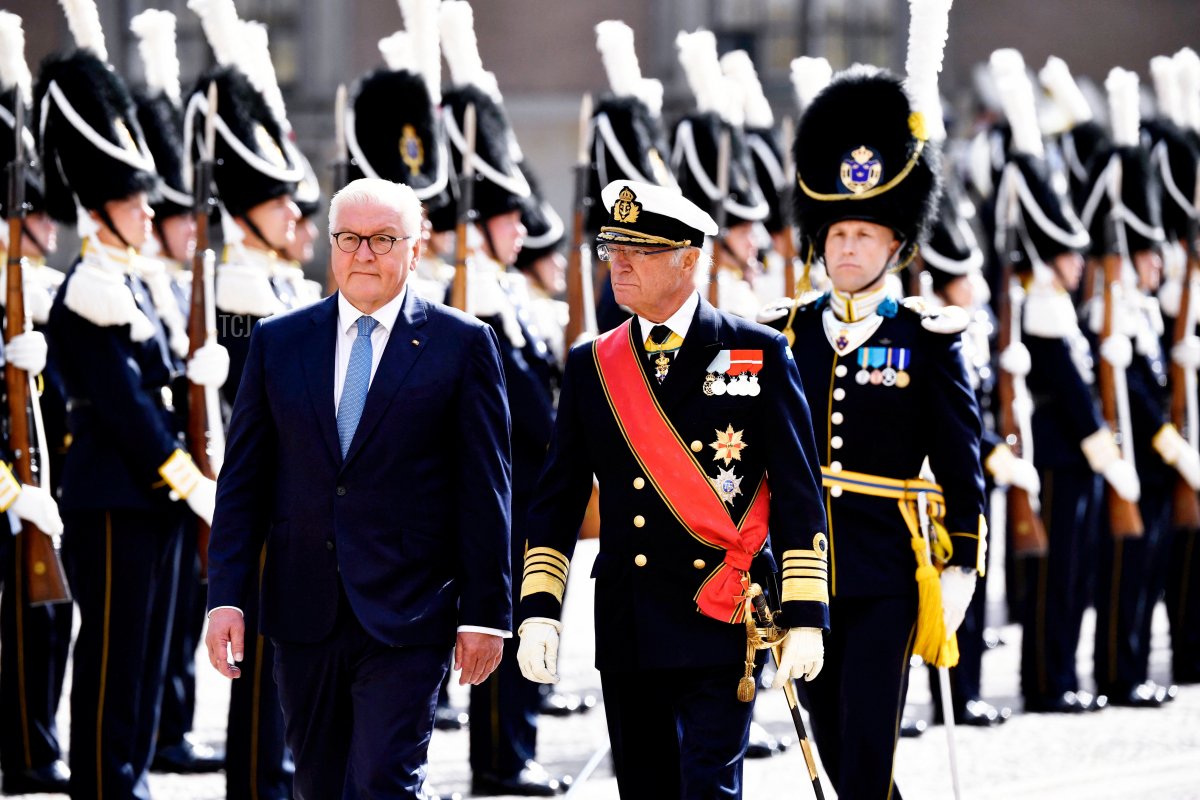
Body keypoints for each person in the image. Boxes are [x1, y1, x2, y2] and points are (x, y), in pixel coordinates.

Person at [518, 179, 829, 799]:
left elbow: (798, 489)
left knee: (708, 789)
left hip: (720, 611)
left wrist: (804, 615)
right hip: (630, 619)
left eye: (640, 249)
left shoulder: (758, 352)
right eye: (613, 247)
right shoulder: (593, 364)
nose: (619, 263)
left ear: (689, 259)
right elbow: (557, 497)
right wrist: (538, 611)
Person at [204, 177, 512, 799]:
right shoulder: (277, 341)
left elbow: (485, 492)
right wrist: (226, 598)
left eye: (381, 239)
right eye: (349, 238)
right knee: (316, 784)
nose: (363, 253)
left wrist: (486, 614)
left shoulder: (462, 345)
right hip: (303, 609)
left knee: (382, 782)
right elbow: (242, 486)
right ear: (331, 246)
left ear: (416, 248)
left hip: (410, 610)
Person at [763, 49, 987, 797]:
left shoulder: (928, 338)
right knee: (831, 747)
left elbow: (961, 460)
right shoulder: (784, 333)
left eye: (864, 234)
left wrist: (963, 565)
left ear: (897, 244)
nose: (847, 246)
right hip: (802, 571)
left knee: (866, 751)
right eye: (836, 233)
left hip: (889, 569)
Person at [37, 3, 219, 796]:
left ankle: (131, 773)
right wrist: (187, 476)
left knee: (147, 650)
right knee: (115, 649)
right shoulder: (92, 287)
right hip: (116, 495)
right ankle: (106, 782)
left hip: (154, 499)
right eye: (136, 200)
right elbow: (123, 405)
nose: (151, 212)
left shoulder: (134, 286)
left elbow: (161, 392)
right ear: (101, 204)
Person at [438, 4, 564, 792]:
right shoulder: (472, 295)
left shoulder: (505, 292)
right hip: (495, 483)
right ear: (479, 226)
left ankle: (514, 749)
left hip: (526, 482)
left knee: (526, 618)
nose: (522, 229)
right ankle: (497, 759)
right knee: (498, 619)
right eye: (507, 217)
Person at [0, 13, 72, 792]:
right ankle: (23, 750)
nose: (48, 227)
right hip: (9, 491)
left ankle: (36, 744)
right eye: (36, 213)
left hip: (34, 487)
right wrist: (16, 492)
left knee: (46, 617)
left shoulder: (33, 296)